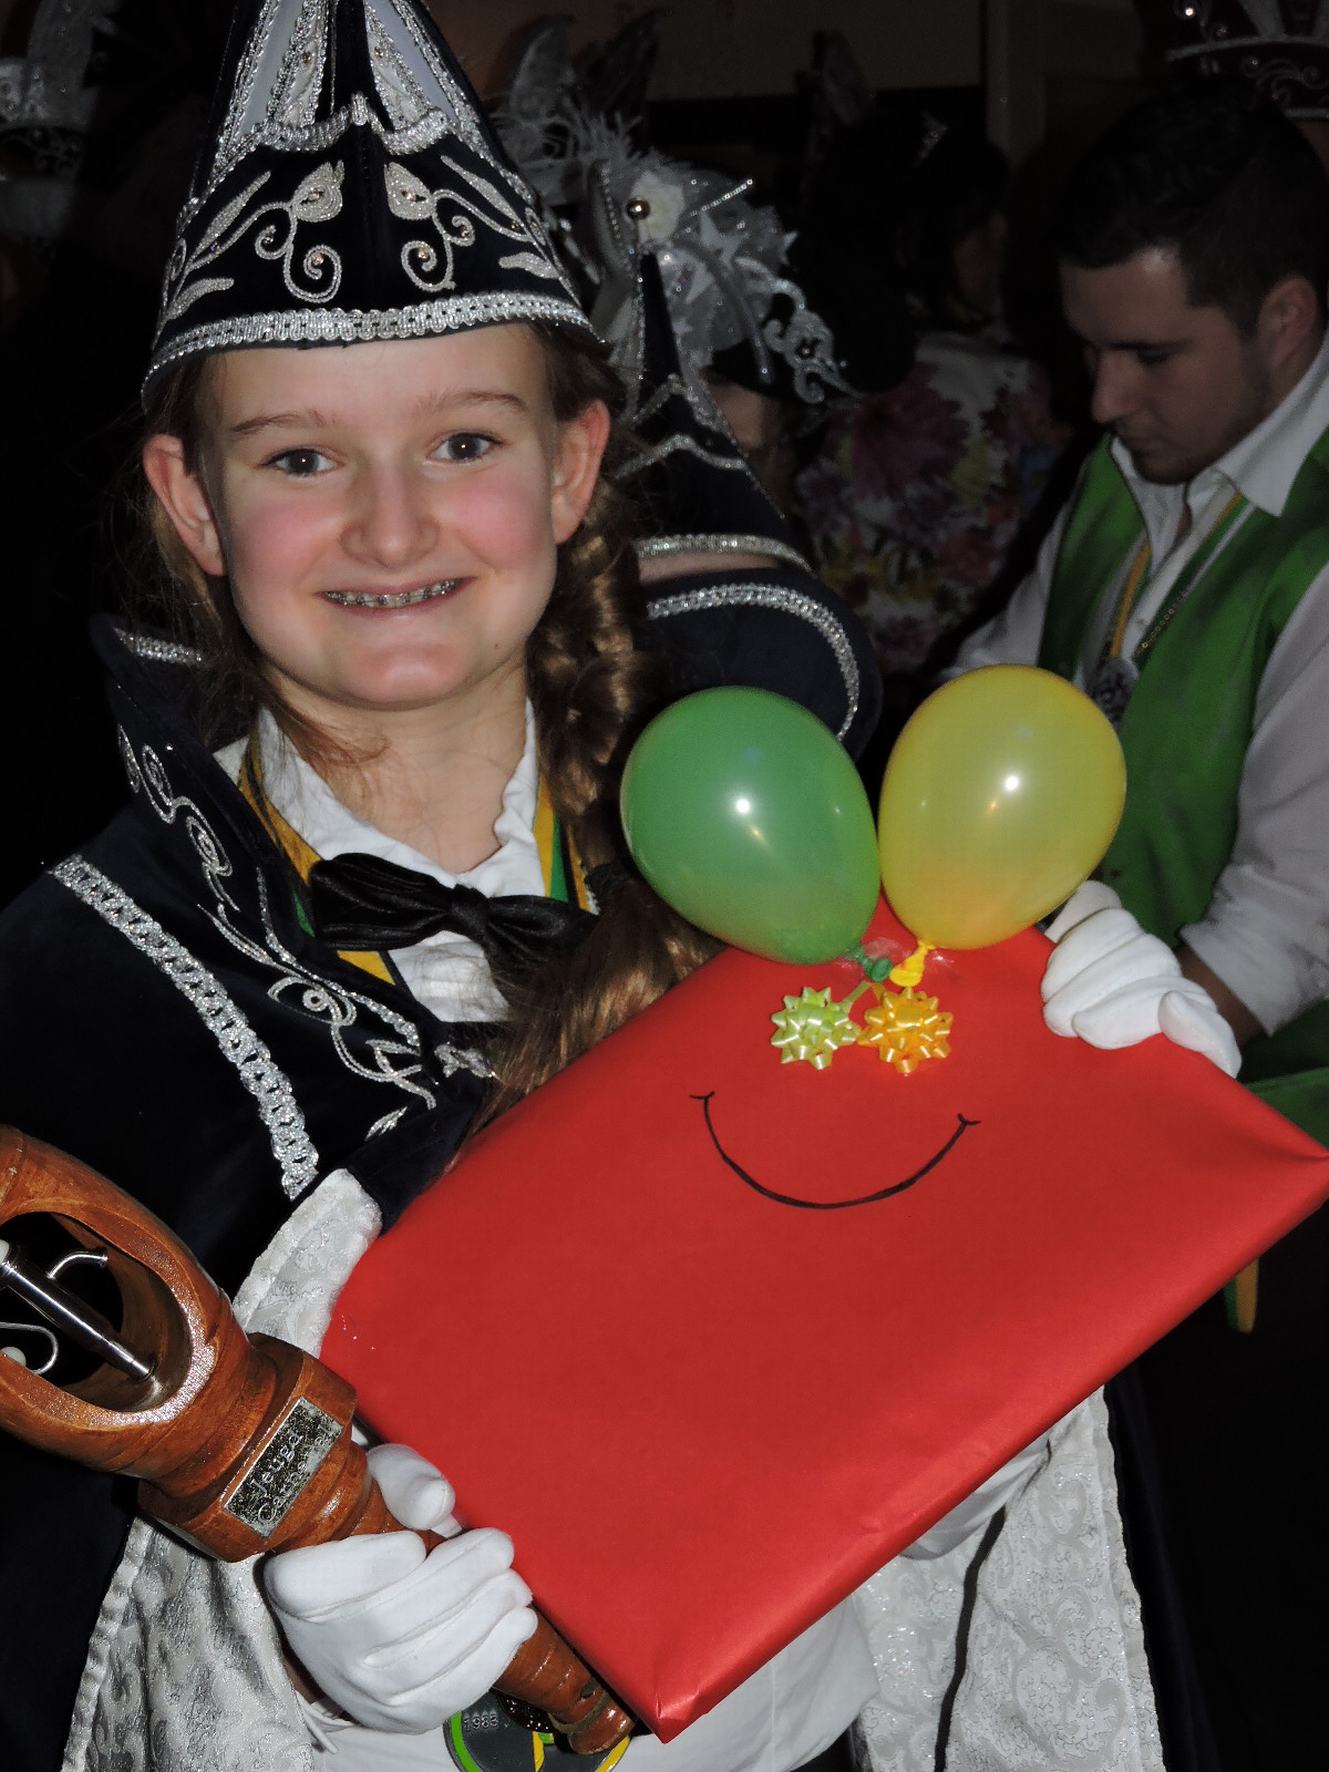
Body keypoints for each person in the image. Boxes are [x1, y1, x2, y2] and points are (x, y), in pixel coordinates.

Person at [0, 7, 1235, 1771]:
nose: (392, 528)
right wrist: (289, 1664)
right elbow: (67, 1627)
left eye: (463, 443)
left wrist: (1069, 1149)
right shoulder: (68, 1010)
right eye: (298, 458)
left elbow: (938, 1494)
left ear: (574, 466)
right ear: (189, 502)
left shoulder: (786, 873)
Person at [950, 76, 1329, 1770]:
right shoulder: (1132, 465)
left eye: (1145, 355)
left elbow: (1281, 931)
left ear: (1282, 320)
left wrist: (1058, 1117)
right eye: (1084, 347)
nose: (1096, 399)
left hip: (1279, 1176)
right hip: (1111, 1136)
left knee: (1263, 1611)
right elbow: (988, 694)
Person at [793, 118, 1068, 715]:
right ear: (915, 238)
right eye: (978, 224)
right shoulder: (1012, 383)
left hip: (831, 689)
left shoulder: (804, 366)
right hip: (974, 695)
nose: (1003, 240)